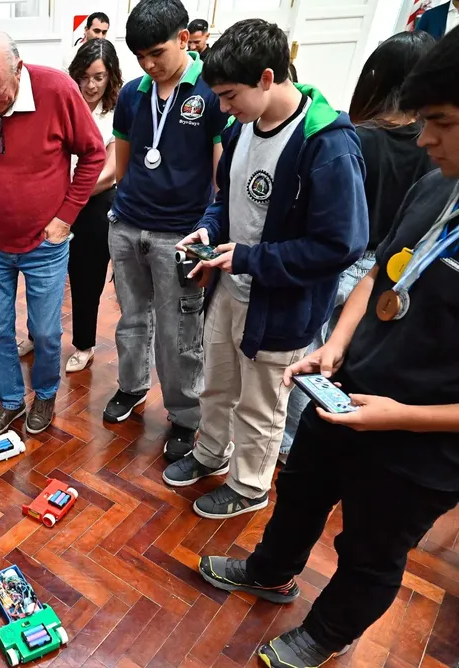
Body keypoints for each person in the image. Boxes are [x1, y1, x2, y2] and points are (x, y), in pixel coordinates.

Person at [198, 28, 459, 668]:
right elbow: (379, 272)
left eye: (443, 124)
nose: (423, 139)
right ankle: (270, 569)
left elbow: (341, 247)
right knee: (303, 492)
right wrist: (335, 346)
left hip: (421, 441)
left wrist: (394, 417)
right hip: (346, 390)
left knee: (371, 548)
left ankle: (325, 635)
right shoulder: (437, 185)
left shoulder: (329, 144)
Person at [166, 19, 368, 520]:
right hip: (231, 288)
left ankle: (250, 485)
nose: (225, 109)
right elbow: (227, 202)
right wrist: (209, 232)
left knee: (261, 405)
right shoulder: (239, 131)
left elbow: (341, 245)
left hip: (281, 304)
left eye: (230, 96)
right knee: (216, 383)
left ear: (267, 77)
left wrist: (252, 257)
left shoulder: (327, 144)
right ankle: (211, 453)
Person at [281, 30, 437, 461]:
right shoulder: (431, 147)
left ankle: (292, 445)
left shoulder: (355, 137)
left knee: (310, 359)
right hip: (389, 272)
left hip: (341, 263)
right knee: (343, 362)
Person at [0, 32, 105, 436]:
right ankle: (11, 401)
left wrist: (66, 217)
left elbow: (93, 153)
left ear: (20, 68)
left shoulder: (58, 89)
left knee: (47, 332)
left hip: (44, 243)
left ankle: (46, 393)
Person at [103, 0, 227, 464]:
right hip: (130, 222)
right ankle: (132, 387)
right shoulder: (134, 93)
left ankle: (185, 414)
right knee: (132, 318)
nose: (148, 64)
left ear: (183, 38)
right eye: (139, 55)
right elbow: (124, 158)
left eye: (156, 52)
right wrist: (121, 203)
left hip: (179, 234)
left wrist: (207, 232)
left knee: (179, 332)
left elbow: (221, 175)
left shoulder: (211, 93)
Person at [64, 39, 122, 373]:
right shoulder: (66, 103)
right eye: (85, 76)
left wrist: (73, 196)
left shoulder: (116, 111)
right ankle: (35, 334)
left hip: (95, 204)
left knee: (87, 279)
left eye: (98, 76)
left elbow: (112, 170)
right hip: (57, 200)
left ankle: (84, 344)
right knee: (44, 275)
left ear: (110, 76)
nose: (91, 84)